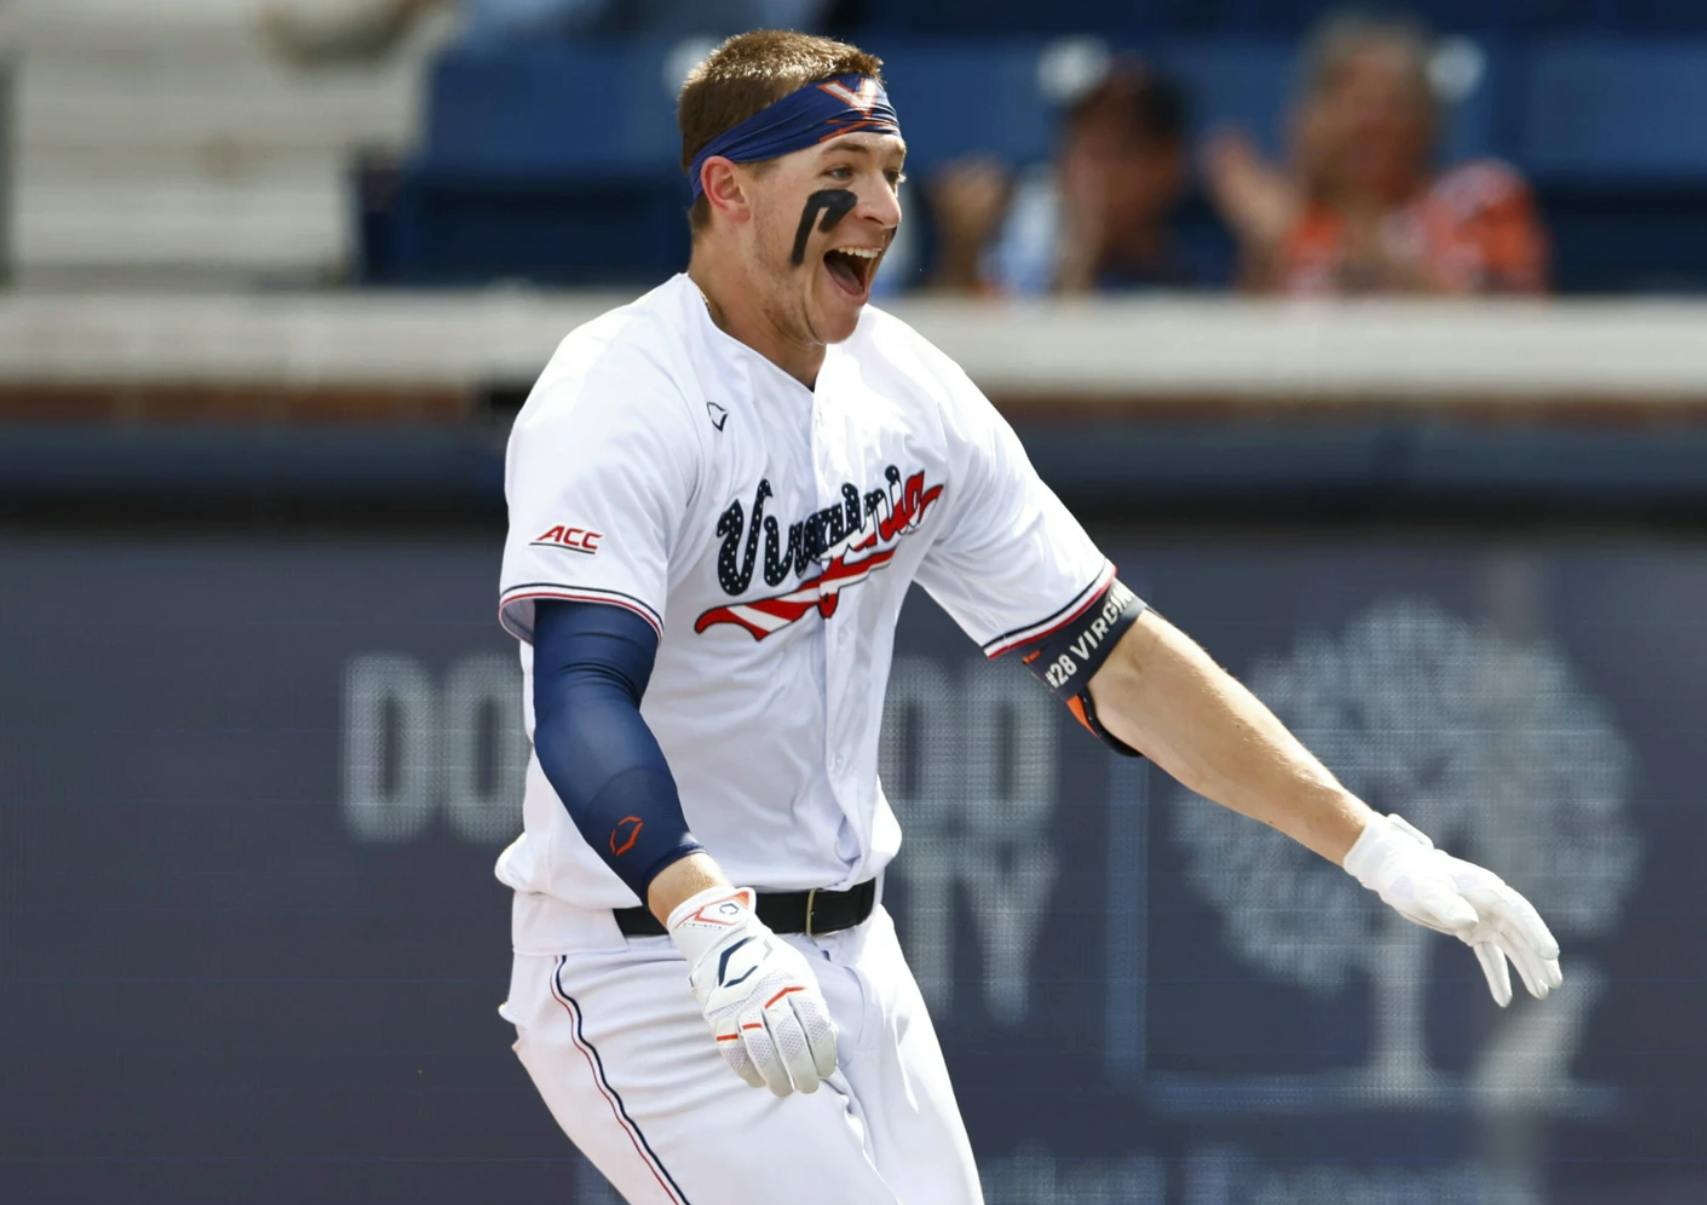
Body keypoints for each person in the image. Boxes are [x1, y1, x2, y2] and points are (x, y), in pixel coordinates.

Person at [493, 29, 1563, 1204]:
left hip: (854, 949)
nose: (882, 205)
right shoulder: (618, 390)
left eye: (893, 172)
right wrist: (707, 916)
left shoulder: (906, 393)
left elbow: (1117, 656)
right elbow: (581, 692)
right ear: (728, 186)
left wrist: (1373, 840)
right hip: (653, 957)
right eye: (841, 168)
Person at [1205, 10, 1548, 294]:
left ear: (1428, 120)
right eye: (1348, 103)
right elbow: (1256, 356)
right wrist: (1263, 249)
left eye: (1390, 105)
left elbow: (1499, 333)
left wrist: (1357, 232)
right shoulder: (1293, 221)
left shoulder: (1480, 197)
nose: (1366, 123)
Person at [929, 61, 1197, 295]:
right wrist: (962, 256)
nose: (1093, 170)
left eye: (1119, 150)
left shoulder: (1206, 244)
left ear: (1169, 162)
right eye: (1083, 144)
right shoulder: (1018, 244)